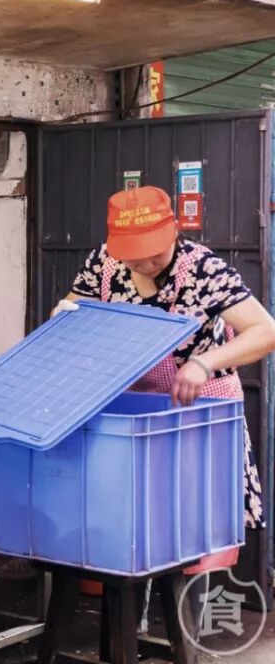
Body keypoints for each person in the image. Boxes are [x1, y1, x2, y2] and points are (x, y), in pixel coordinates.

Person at [53, 185, 275, 551]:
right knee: (133, 523)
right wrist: (63, 317)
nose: (144, 264)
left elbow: (265, 331)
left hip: (197, 410)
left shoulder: (204, 269)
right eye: (133, 257)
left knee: (192, 526)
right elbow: (72, 309)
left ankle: (186, 588)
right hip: (134, 411)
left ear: (173, 232)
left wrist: (204, 363)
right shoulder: (104, 263)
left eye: (153, 253)